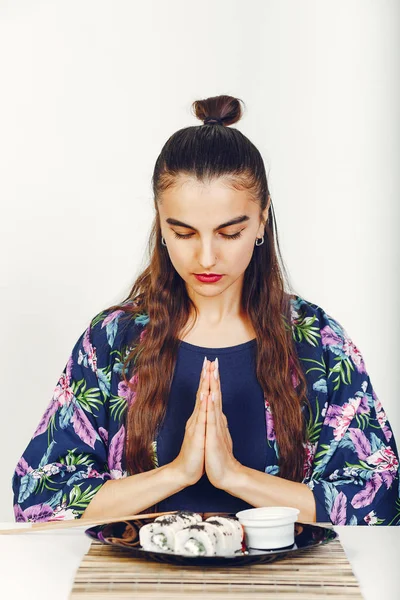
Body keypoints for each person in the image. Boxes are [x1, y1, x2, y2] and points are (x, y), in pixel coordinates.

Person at [12, 94, 400, 526]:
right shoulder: (112, 340)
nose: (207, 257)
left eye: (230, 232)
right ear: (160, 222)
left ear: (262, 219)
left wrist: (234, 476)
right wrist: (177, 473)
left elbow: (378, 499)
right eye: (183, 232)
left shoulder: (317, 341)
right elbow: (39, 499)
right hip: (144, 590)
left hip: (281, 590)